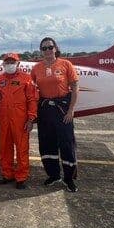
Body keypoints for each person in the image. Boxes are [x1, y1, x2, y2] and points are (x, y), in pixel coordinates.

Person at [31, 37, 79, 192]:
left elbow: (75, 87)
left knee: (66, 143)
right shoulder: (36, 68)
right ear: (41, 51)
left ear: (55, 48)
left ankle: (69, 178)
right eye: (44, 48)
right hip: (45, 109)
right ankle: (53, 175)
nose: (47, 50)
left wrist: (71, 110)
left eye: (50, 47)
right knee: (46, 142)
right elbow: (31, 89)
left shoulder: (65, 64)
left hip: (62, 109)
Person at [0, 53, 38, 189]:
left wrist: (31, 119)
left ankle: (21, 177)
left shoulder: (26, 79)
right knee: (4, 148)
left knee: (22, 149)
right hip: (4, 119)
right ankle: (7, 175)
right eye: (7, 62)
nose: (10, 64)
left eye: (12, 62)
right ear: (3, 64)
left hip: (20, 120)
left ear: (18, 64)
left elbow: (32, 100)